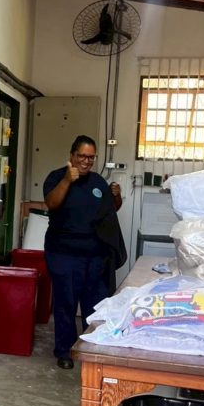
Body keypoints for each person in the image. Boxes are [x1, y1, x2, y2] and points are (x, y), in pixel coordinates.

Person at [43, 135, 126, 369]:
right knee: (66, 304)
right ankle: (65, 352)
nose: (86, 161)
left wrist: (116, 196)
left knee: (95, 306)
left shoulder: (98, 182)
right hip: (63, 254)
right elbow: (52, 203)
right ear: (72, 155)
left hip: (95, 257)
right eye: (82, 156)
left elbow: (111, 210)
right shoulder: (56, 177)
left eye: (91, 157)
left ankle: (90, 351)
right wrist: (67, 181)